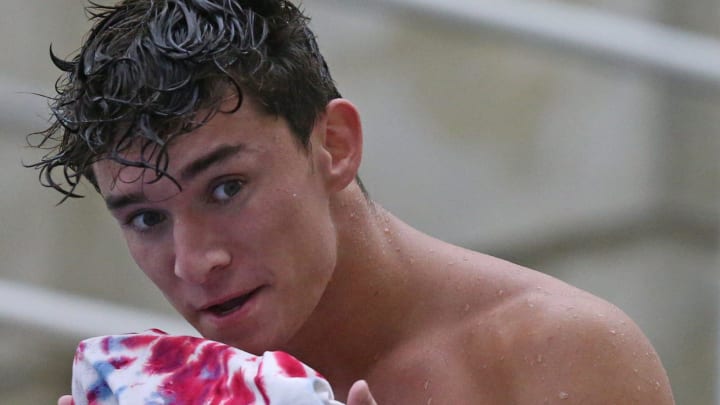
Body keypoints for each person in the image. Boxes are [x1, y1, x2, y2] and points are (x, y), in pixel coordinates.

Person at [29, 0, 674, 404]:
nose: (195, 262)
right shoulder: (180, 390)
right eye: (147, 218)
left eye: (226, 188)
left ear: (334, 145)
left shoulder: (558, 356)